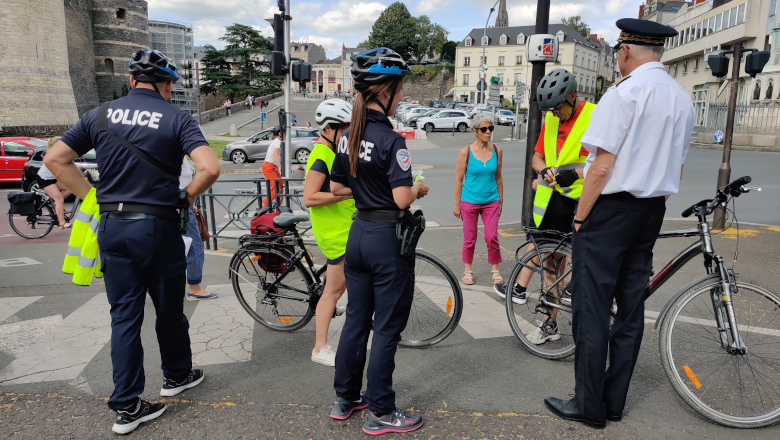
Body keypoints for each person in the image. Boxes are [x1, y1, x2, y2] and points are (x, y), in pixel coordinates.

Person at [44, 48, 221, 434]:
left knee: (124, 315)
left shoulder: (99, 114)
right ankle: (176, 376)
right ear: (168, 85)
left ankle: (127, 405)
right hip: (157, 226)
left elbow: (55, 159)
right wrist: (187, 196)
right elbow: (210, 167)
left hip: (112, 226)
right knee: (169, 309)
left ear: (131, 81)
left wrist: (91, 194)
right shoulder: (177, 117)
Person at [544, 19, 692, 428]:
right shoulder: (682, 98)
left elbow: (600, 167)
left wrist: (580, 217)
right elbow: (675, 169)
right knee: (629, 311)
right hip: (650, 211)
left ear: (625, 51)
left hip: (609, 212)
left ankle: (588, 406)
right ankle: (613, 401)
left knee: (591, 310)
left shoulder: (623, 94)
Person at [329, 48, 429, 435]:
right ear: (385, 90)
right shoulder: (391, 139)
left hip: (358, 235)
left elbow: (337, 185)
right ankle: (382, 411)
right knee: (387, 327)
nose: (402, 97)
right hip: (387, 239)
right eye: (400, 89)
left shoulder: (346, 136)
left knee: (356, 320)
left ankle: (346, 398)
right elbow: (403, 198)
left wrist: (367, 192)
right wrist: (416, 188)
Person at [499, 69, 596, 346]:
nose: (554, 114)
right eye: (549, 110)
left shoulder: (595, 116)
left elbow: (603, 163)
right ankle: (550, 322)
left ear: (573, 97)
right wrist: (545, 170)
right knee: (551, 265)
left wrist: (574, 174)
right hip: (554, 200)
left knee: (588, 262)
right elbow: (537, 156)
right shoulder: (551, 120)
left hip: (584, 200)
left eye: (558, 108)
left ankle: (594, 324)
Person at [303, 99, 355, 366]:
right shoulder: (321, 155)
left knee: (338, 286)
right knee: (332, 293)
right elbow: (310, 197)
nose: (349, 134)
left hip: (346, 227)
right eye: (345, 129)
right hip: (336, 233)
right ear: (330, 128)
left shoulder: (333, 151)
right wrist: (346, 193)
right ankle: (319, 347)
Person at [453, 112, 503, 286]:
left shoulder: (497, 150)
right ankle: (468, 270)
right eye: (484, 129)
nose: (488, 132)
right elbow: (459, 179)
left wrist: (500, 200)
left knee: (491, 236)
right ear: (475, 131)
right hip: (469, 201)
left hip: (491, 201)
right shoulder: (465, 152)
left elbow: (498, 177)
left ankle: (495, 269)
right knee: (469, 238)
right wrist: (457, 204)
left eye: (491, 128)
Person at [180, 157, 216, 300]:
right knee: (194, 245)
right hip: (180, 202)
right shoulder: (174, 145)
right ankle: (194, 288)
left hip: (172, 201)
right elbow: (211, 170)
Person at [37, 136, 73, 229]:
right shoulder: (53, 156)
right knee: (59, 199)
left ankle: (57, 206)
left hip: (51, 178)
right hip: (44, 178)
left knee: (70, 188)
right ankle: (62, 223)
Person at [262, 127, 284, 206]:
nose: (286, 135)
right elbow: (275, 154)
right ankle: (261, 206)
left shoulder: (278, 141)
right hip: (269, 167)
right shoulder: (277, 142)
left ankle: (278, 208)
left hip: (273, 167)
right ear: (280, 133)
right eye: (285, 133)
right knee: (276, 189)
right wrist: (281, 166)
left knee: (281, 185)